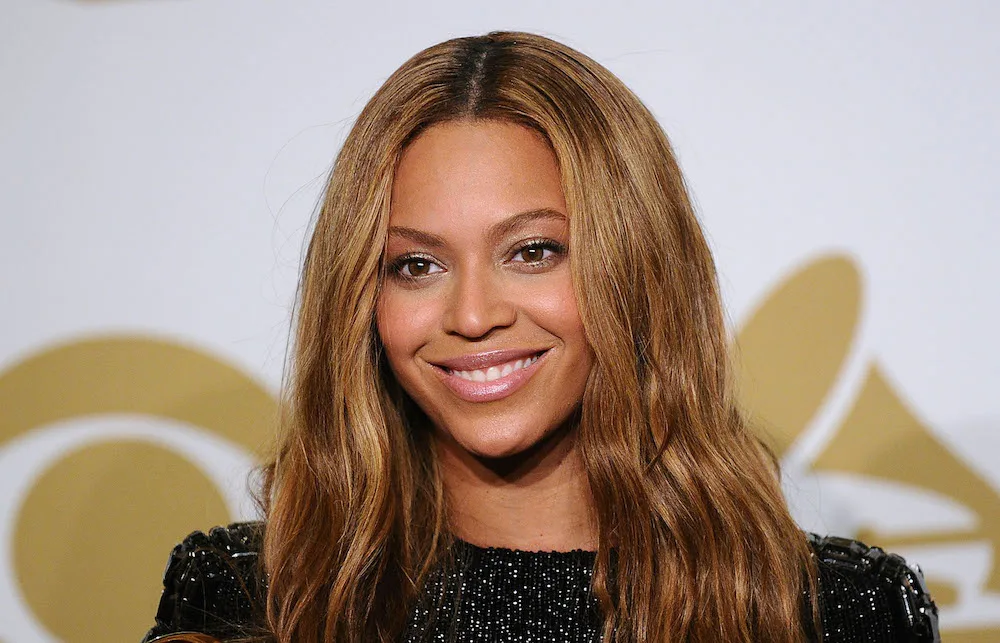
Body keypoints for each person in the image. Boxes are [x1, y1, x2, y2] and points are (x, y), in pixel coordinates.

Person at [141, 31, 940, 643]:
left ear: (635, 270)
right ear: (362, 299)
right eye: (416, 264)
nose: (473, 314)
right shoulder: (250, 596)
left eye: (533, 251)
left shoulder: (836, 610)